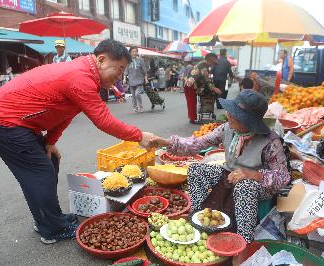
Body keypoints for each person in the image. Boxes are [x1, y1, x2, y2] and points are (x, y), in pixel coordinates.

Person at [0, 39, 155, 244]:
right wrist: (139, 136)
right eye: (120, 68)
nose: (120, 75)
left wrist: (50, 141)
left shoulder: (86, 74)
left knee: (49, 162)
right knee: (39, 173)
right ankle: (51, 229)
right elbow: (104, 121)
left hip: (18, 123)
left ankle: (50, 219)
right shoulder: (80, 77)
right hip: (2, 121)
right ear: (102, 59)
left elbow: (66, 113)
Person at [150, 89, 290, 243]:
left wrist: (253, 174)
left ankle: (243, 240)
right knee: (197, 169)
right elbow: (197, 144)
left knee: (245, 187)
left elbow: (283, 178)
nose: (228, 115)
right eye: (231, 111)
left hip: (257, 185)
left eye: (235, 114)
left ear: (250, 121)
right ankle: (200, 218)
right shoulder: (227, 129)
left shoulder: (271, 142)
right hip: (228, 174)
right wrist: (166, 142)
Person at [184, 53, 220, 123]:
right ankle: (192, 119)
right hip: (191, 85)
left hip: (189, 84)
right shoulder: (204, 66)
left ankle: (192, 118)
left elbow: (203, 79)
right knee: (192, 102)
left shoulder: (202, 64)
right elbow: (207, 80)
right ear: (209, 60)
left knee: (191, 102)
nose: (212, 64)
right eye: (212, 63)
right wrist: (214, 88)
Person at [123, 46, 148, 112]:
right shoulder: (128, 61)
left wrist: (146, 78)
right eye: (133, 51)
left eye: (135, 51)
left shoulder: (140, 60)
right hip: (131, 80)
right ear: (130, 53)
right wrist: (124, 79)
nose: (134, 53)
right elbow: (126, 70)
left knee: (137, 94)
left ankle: (140, 105)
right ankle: (135, 107)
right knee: (133, 96)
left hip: (140, 80)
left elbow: (144, 70)